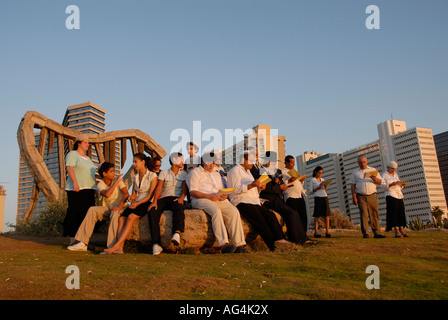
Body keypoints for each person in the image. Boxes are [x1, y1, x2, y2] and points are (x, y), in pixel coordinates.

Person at [227, 150, 293, 251]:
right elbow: (236, 189)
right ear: (243, 159)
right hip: (241, 201)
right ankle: (272, 246)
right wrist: (253, 184)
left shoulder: (248, 172)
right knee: (260, 221)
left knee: (270, 215)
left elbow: (252, 189)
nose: (253, 163)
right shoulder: (234, 171)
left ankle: (281, 239)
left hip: (254, 201)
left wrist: (258, 188)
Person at [186, 152, 249, 253]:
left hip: (217, 198)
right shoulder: (195, 172)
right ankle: (223, 244)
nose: (212, 165)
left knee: (233, 212)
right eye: (209, 163)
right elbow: (193, 192)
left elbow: (221, 189)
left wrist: (224, 195)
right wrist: (208, 196)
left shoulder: (216, 174)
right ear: (203, 162)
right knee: (216, 211)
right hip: (200, 199)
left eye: (213, 163)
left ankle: (239, 244)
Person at [67, 162, 129, 251]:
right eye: (111, 171)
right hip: (108, 208)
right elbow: (107, 194)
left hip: (121, 207)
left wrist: (119, 207)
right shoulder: (100, 184)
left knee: (115, 214)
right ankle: (83, 243)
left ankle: (112, 247)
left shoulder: (118, 180)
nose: (114, 173)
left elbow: (126, 194)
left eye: (113, 171)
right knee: (92, 210)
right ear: (104, 174)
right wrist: (116, 183)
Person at [104, 153, 158, 254]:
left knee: (131, 217)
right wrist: (131, 197)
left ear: (143, 162)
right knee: (121, 219)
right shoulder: (135, 177)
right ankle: (120, 248)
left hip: (146, 202)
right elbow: (134, 194)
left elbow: (150, 195)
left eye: (135, 162)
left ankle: (116, 245)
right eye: (133, 162)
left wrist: (137, 204)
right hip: (137, 202)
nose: (134, 164)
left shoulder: (152, 175)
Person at [259, 151, 310, 245]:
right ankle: (297, 239)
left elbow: (282, 184)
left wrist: (279, 184)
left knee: (296, 213)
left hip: (279, 198)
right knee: (291, 213)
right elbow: (264, 188)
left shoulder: (277, 171)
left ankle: (302, 237)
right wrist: (279, 187)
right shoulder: (261, 171)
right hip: (269, 199)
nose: (274, 163)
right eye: (273, 161)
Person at [147, 153, 188, 255]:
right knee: (153, 210)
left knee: (179, 206)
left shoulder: (184, 174)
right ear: (174, 160)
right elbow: (159, 187)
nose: (183, 161)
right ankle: (156, 244)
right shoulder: (164, 173)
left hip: (176, 198)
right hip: (164, 198)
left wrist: (182, 197)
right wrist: (155, 201)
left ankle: (177, 233)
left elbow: (184, 190)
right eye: (181, 159)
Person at [63, 134, 97, 245]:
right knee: (75, 213)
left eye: (88, 142)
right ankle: (73, 238)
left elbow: (91, 174)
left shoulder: (88, 159)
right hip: (77, 189)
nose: (87, 144)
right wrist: (75, 183)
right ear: (79, 143)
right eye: (85, 142)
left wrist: (95, 188)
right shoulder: (73, 154)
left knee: (86, 215)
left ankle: (83, 239)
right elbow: (70, 167)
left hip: (89, 189)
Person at [349, 156, 385, 238]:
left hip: (372, 195)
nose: (363, 164)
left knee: (374, 214)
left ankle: (377, 232)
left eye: (364, 162)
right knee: (364, 214)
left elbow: (380, 182)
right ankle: (366, 233)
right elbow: (352, 185)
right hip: (361, 196)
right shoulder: (355, 172)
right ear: (358, 163)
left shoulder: (373, 170)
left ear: (367, 161)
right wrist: (354, 196)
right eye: (360, 162)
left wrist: (374, 179)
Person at [282, 155, 309, 234]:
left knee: (303, 216)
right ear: (286, 163)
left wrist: (301, 181)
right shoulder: (283, 171)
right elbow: (283, 185)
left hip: (299, 195)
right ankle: (295, 235)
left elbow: (298, 184)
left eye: (294, 163)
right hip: (291, 196)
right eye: (292, 163)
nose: (293, 165)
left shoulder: (294, 171)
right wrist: (290, 180)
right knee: (294, 217)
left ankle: (304, 234)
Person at [382, 161, 409, 238]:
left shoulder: (396, 175)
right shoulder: (384, 175)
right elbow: (383, 187)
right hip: (390, 194)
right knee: (393, 212)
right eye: (392, 169)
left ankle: (402, 229)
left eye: (394, 169)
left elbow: (399, 185)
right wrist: (391, 184)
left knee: (400, 212)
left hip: (398, 194)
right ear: (388, 167)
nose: (393, 170)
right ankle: (396, 230)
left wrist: (402, 185)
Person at [309, 166, 331, 238]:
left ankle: (327, 231)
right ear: (315, 172)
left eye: (321, 173)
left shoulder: (322, 179)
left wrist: (325, 186)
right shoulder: (312, 180)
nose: (320, 174)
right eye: (319, 173)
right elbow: (310, 191)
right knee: (317, 215)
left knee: (326, 215)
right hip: (317, 197)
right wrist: (318, 187)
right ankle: (316, 231)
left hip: (324, 196)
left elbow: (324, 190)